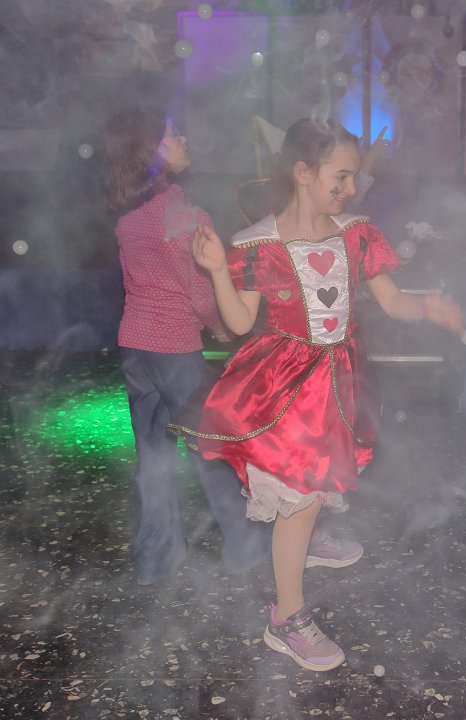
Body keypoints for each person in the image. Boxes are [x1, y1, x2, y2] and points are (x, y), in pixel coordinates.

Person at [168, 118, 464, 670]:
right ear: (303, 173)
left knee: (316, 479)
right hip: (282, 385)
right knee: (297, 493)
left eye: (352, 176)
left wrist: (428, 307)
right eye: (341, 176)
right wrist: (217, 272)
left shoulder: (355, 234)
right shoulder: (259, 244)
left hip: (336, 380)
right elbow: (238, 324)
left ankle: (305, 537)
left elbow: (393, 300)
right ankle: (286, 617)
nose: (351, 187)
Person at [99, 106, 271, 585]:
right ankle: (245, 549)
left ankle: (156, 558)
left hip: (135, 346)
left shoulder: (127, 215)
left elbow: (140, 281)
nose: (183, 139)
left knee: (153, 458)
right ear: (151, 152)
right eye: (173, 135)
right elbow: (199, 292)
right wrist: (222, 326)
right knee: (213, 450)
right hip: (174, 349)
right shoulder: (185, 216)